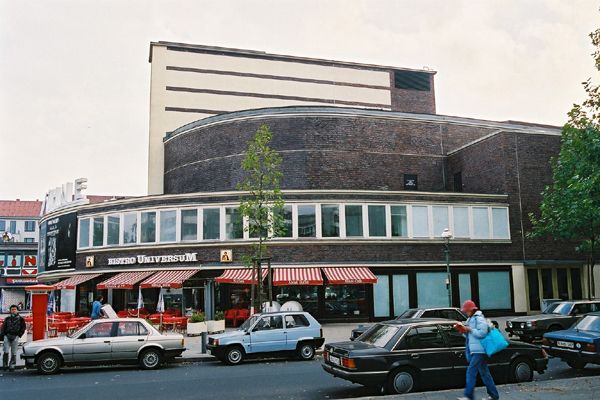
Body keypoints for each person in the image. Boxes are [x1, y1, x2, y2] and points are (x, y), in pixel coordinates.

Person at [457, 300, 500, 400]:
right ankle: (494, 395)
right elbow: (471, 336)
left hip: (479, 350)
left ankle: (469, 395)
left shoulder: (479, 318)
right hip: (476, 349)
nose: (466, 313)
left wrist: (469, 329)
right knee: (484, 373)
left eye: (467, 311)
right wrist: (463, 331)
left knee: (471, 372)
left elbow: (482, 333)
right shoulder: (471, 319)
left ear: (471, 310)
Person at [0, 304, 26, 372]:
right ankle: (5, 366)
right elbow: (3, 327)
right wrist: (3, 335)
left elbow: (23, 327)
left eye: (15, 309)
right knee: (6, 351)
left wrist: (19, 335)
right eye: (12, 309)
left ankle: (12, 366)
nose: (13, 311)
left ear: (17, 310)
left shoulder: (21, 319)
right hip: (7, 335)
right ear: (10, 311)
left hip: (15, 336)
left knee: (14, 352)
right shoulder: (7, 319)